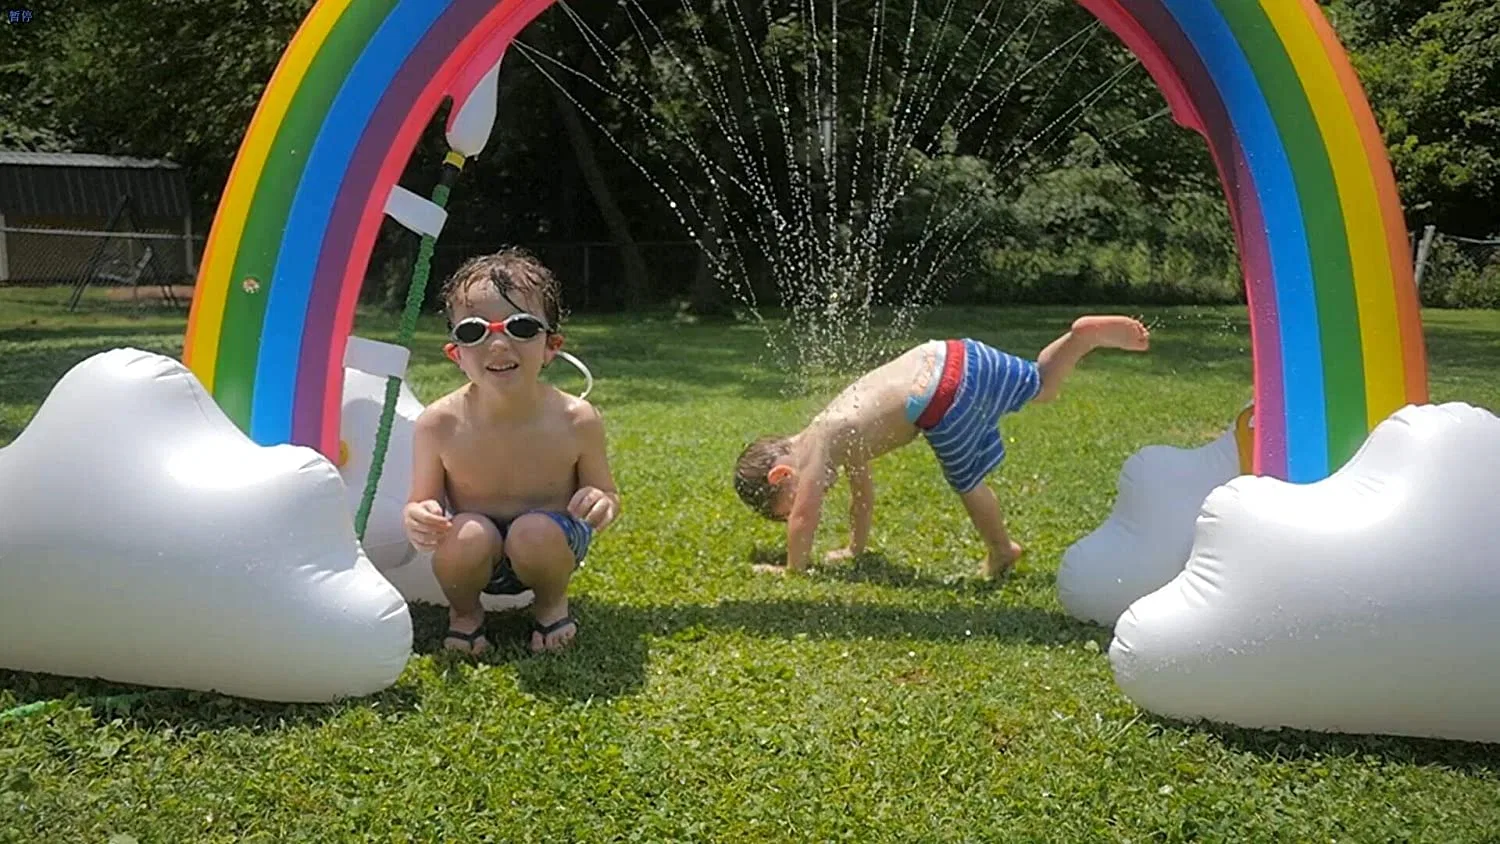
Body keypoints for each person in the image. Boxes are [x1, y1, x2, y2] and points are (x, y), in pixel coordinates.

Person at [732, 316, 1150, 576]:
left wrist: (792, 569)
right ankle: (1079, 339)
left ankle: (1003, 551)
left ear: (782, 475)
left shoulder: (822, 440)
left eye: (785, 503)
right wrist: (854, 548)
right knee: (1041, 386)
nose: (812, 495)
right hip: (949, 354)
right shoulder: (839, 433)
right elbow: (863, 495)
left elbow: (805, 515)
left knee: (967, 481)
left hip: (938, 396)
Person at [403, 248, 620, 655]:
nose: (498, 343)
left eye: (520, 327)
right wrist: (419, 516)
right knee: (466, 533)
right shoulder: (439, 423)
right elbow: (423, 500)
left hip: (551, 546)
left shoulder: (577, 419)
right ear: (456, 354)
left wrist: (600, 503)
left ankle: (551, 604)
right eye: (474, 331)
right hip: (474, 551)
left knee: (532, 531)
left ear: (551, 346)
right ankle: (465, 613)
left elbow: (606, 493)